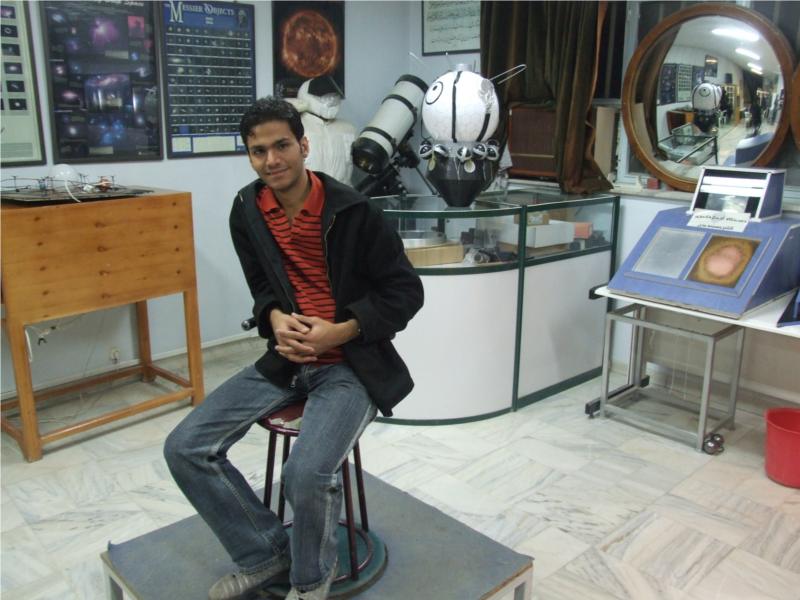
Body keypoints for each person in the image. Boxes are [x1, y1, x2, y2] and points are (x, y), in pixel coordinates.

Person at [164, 97, 424, 600]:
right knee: (184, 447)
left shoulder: (355, 212)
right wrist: (274, 318)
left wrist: (342, 331)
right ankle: (265, 554)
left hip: (351, 364)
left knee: (304, 473)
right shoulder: (247, 209)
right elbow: (263, 286)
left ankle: (310, 583)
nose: (271, 160)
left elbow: (406, 292)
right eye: (258, 151)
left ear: (304, 146)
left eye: (281, 145)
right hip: (286, 361)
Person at [288, 76, 356, 185]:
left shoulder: (348, 129)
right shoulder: (294, 127)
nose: (331, 100)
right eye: (324, 97)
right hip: (308, 193)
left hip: (342, 192)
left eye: (334, 96)